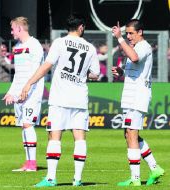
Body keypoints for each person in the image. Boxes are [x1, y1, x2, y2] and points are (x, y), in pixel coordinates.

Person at [20, 13, 100, 187]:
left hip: (59, 98)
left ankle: (50, 178)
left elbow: (46, 66)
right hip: (79, 98)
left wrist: (28, 84)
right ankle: (77, 179)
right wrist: (82, 73)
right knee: (80, 138)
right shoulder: (90, 48)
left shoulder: (59, 42)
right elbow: (96, 74)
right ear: (81, 27)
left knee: (54, 137)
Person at [112, 19, 164, 186]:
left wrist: (119, 38)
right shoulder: (134, 47)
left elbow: (134, 58)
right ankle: (154, 167)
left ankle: (135, 179)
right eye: (126, 33)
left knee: (131, 134)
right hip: (130, 96)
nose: (128, 36)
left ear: (140, 32)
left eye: (131, 33)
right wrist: (121, 71)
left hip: (137, 97)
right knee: (128, 134)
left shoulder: (144, 47)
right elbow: (134, 69)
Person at [2, 17, 44, 171]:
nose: (11, 31)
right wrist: (11, 92)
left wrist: (26, 89)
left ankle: (32, 163)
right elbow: (18, 74)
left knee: (28, 124)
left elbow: (35, 71)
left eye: (13, 28)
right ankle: (28, 162)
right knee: (23, 126)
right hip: (20, 93)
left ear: (19, 28)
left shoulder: (35, 45)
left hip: (32, 93)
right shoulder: (18, 47)